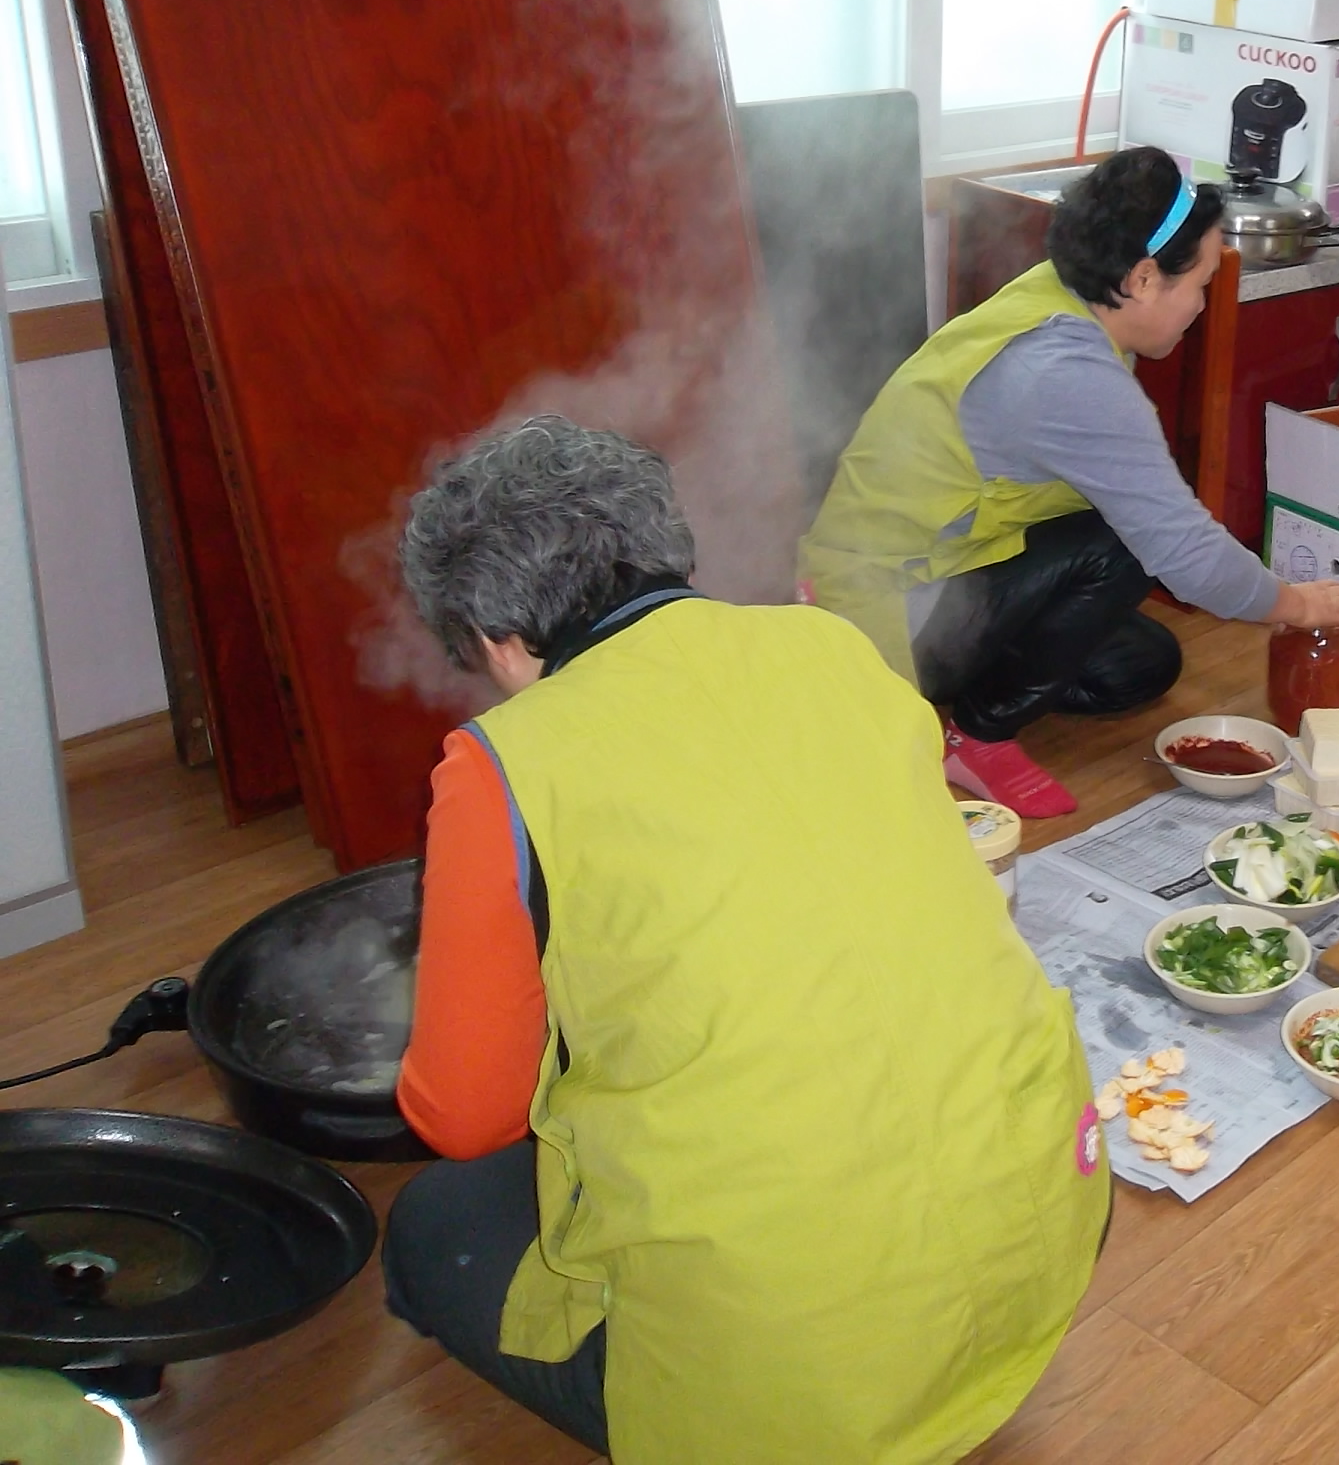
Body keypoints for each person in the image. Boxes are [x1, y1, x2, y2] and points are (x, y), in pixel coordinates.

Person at [382, 417, 1108, 1464]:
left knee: (436, 1223)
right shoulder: (833, 648)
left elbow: (462, 1114)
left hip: (813, 1378)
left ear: (496, 636)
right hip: (1047, 1229)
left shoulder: (502, 762)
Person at [800, 147, 1339, 818]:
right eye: (1200, 283)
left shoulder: (1058, 295)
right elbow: (1185, 554)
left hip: (936, 564)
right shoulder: (1064, 371)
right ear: (1145, 278)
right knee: (1124, 548)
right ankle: (976, 736)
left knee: (1141, 666)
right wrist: (1297, 605)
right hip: (879, 608)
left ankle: (941, 694)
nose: (1201, 305)